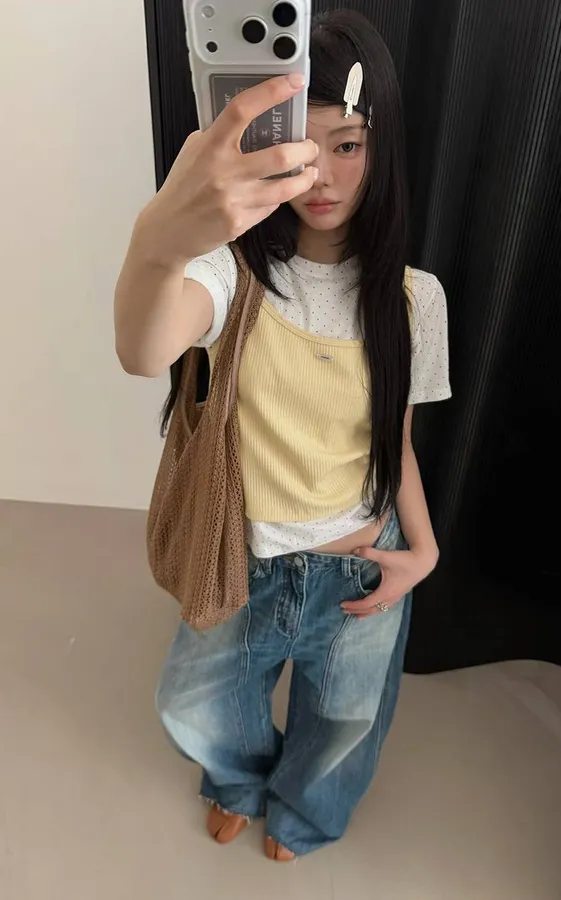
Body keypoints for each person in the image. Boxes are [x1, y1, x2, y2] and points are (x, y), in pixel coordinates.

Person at [114, 9, 450, 861]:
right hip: (244, 558)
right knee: (195, 705)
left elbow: (396, 441)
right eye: (303, 146)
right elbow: (141, 352)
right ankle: (236, 783)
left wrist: (423, 551)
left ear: (382, 148)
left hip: (359, 564)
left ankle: (300, 818)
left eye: (350, 144)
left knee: (343, 725)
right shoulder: (229, 271)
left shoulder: (414, 300)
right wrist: (160, 239)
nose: (323, 175)